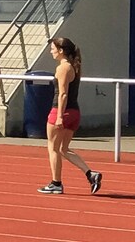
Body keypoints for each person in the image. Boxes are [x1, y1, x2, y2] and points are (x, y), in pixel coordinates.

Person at [40, 37, 103, 195]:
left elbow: (62, 94)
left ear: (61, 51)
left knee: (53, 148)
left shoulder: (63, 68)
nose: (51, 51)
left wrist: (60, 116)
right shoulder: (73, 67)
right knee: (64, 149)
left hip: (62, 111)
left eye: (53, 48)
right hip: (74, 112)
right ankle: (90, 174)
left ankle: (56, 183)